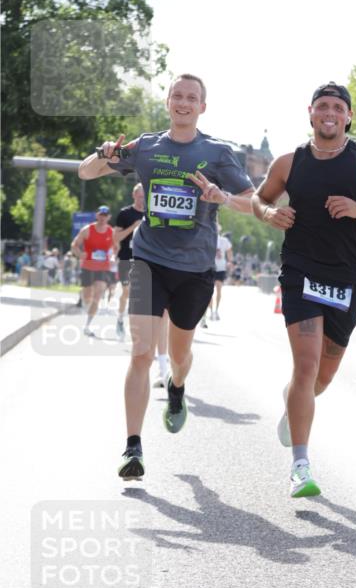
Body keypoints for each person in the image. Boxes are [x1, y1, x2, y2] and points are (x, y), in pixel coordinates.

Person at [78, 73, 255, 480]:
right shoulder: (145, 146)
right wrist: (106, 153)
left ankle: (176, 387)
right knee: (141, 351)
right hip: (147, 260)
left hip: (194, 270)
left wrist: (222, 197)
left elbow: (254, 203)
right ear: (168, 102)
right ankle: (132, 448)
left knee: (179, 355)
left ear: (202, 107)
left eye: (192, 98)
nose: (184, 102)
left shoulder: (217, 152)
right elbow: (87, 172)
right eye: (177, 95)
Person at [252, 80, 356, 498]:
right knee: (305, 366)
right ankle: (300, 467)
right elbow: (258, 199)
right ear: (310, 112)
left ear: (348, 116)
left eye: (337, 108)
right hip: (300, 272)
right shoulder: (288, 162)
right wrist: (270, 214)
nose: (329, 113)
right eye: (322, 106)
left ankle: (293, 406)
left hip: (347, 278)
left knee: (322, 375)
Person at [71, 206, 115, 336]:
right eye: (101, 215)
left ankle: (88, 325)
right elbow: (74, 244)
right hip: (88, 266)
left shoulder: (111, 232)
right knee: (87, 296)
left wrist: (112, 257)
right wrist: (79, 254)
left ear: (109, 217)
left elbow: (114, 249)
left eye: (105, 215)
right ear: (97, 215)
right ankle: (86, 311)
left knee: (98, 295)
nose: (102, 218)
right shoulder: (87, 230)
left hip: (102, 268)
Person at [113, 183, 145, 338]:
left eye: (144, 197)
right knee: (127, 292)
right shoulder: (125, 214)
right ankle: (120, 318)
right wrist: (133, 227)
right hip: (126, 258)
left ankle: (137, 328)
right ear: (134, 196)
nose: (142, 200)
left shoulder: (151, 214)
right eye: (139, 197)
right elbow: (116, 238)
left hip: (144, 260)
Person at [210, 227, 233, 321]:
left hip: (220, 268)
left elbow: (229, 250)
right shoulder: (209, 237)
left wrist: (230, 261)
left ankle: (216, 310)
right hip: (210, 267)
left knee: (219, 289)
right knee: (209, 291)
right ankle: (211, 311)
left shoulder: (224, 241)